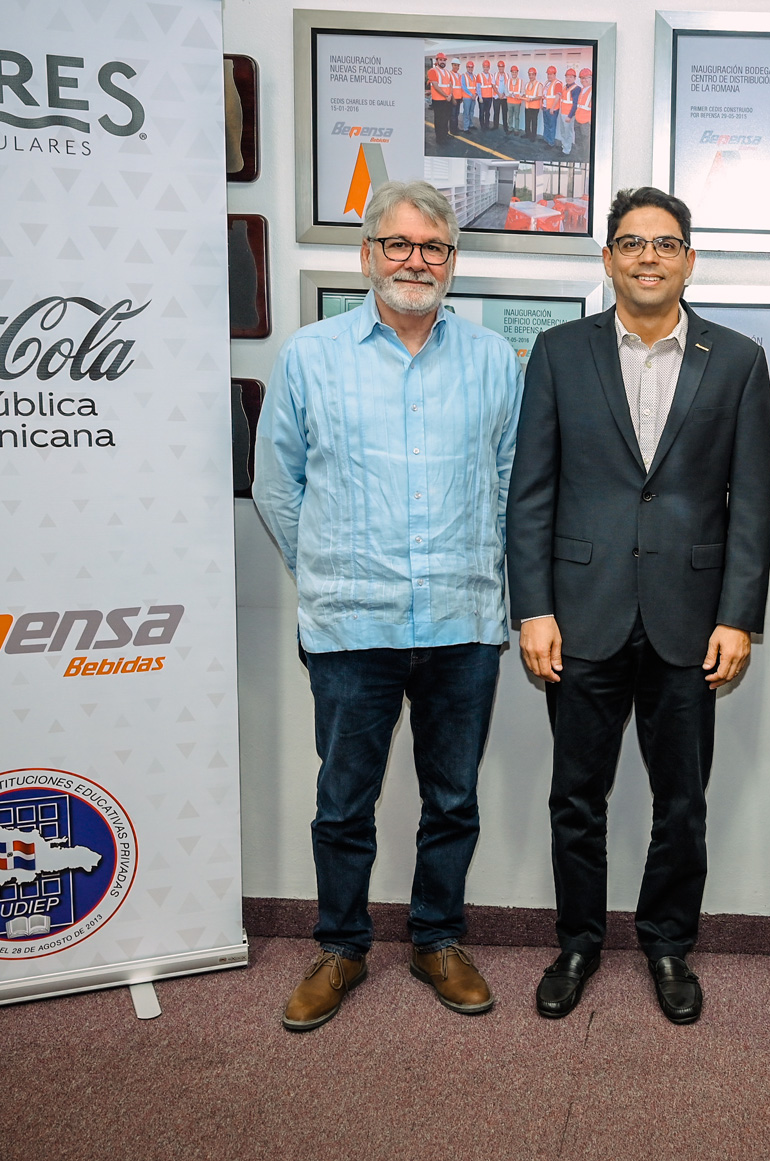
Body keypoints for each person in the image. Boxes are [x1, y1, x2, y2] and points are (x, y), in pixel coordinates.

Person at [254, 180, 522, 1031]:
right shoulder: (309, 356)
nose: (416, 260)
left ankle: (437, 938)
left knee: (453, 799)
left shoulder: (490, 361)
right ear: (368, 255)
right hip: (350, 625)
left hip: (463, 624)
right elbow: (275, 486)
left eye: (433, 247)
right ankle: (341, 946)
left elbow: (514, 484)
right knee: (344, 802)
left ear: (454, 260)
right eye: (399, 244)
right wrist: (329, 568)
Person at [508, 187, 770, 1026]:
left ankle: (667, 942)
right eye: (632, 243)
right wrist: (533, 607)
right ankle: (579, 941)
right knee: (575, 797)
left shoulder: (737, 360)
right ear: (609, 259)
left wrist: (739, 615)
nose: (649, 257)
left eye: (666, 243)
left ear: (689, 258)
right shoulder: (558, 352)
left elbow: (751, 504)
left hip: (690, 621)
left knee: (682, 800)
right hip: (578, 616)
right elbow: (532, 494)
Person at [428, 53, 456, 147]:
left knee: (446, 118)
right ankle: (440, 138)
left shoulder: (448, 72)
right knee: (439, 120)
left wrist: (450, 95)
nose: (442, 62)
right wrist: (446, 95)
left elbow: (450, 85)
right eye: (441, 60)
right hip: (438, 100)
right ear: (437, 61)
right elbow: (436, 86)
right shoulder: (433, 71)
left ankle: (445, 134)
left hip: (447, 100)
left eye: (444, 60)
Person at [573, 68, 593, 160]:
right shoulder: (582, 90)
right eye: (582, 78)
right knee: (578, 140)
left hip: (586, 122)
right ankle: (579, 157)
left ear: (591, 78)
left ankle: (585, 159)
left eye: (586, 78)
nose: (584, 80)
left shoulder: (593, 90)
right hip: (578, 119)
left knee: (586, 142)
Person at [557, 68, 578, 156]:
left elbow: (575, 104)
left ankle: (567, 150)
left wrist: (570, 116)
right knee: (563, 132)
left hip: (568, 115)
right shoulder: (565, 87)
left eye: (570, 77)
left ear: (574, 78)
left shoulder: (576, 89)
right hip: (562, 113)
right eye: (567, 77)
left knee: (568, 133)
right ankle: (564, 147)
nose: (568, 79)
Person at [541, 70, 563, 146]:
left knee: (551, 126)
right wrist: (542, 103)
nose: (549, 76)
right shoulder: (547, 83)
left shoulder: (557, 83)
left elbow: (557, 97)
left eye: (551, 74)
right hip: (545, 107)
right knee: (546, 124)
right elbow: (545, 95)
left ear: (555, 74)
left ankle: (551, 142)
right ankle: (546, 139)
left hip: (552, 109)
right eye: (548, 74)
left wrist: (552, 108)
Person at [522, 67, 542, 141]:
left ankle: (533, 136)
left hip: (534, 107)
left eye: (532, 75)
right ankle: (527, 133)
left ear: (535, 75)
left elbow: (540, 96)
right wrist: (522, 96)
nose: (531, 76)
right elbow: (526, 94)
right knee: (527, 121)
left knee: (534, 122)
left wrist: (532, 99)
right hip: (527, 106)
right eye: (529, 75)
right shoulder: (527, 84)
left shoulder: (538, 85)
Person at [504, 65, 523, 135]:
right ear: (511, 73)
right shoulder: (508, 81)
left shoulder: (521, 81)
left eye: (515, 72)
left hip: (517, 102)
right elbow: (505, 90)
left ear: (517, 73)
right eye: (513, 72)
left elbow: (523, 91)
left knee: (517, 117)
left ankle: (516, 129)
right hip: (509, 101)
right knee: (510, 116)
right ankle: (510, 128)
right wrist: (508, 94)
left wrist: (519, 96)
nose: (514, 73)